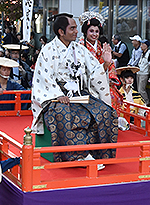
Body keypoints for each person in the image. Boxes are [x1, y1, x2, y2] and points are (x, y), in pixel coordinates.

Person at [31, 13, 118, 163]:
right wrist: (58, 95)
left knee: (105, 111)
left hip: (79, 93)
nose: (76, 32)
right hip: (56, 96)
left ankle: (100, 153)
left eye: (76, 28)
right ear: (61, 31)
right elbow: (44, 77)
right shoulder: (48, 50)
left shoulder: (79, 49)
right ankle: (76, 156)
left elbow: (95, 72)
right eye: (72, 28)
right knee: (64, 113)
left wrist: (105, 63)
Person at [78, 11, 120, 108]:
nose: (94, 34)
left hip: (102, 80)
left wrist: (109, 75)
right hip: (87, 83)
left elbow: (109, 64)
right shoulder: (80, 47)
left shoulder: (101, 46)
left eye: (96, 31)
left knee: (113, 95)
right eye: (91, 31)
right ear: (85, 31)